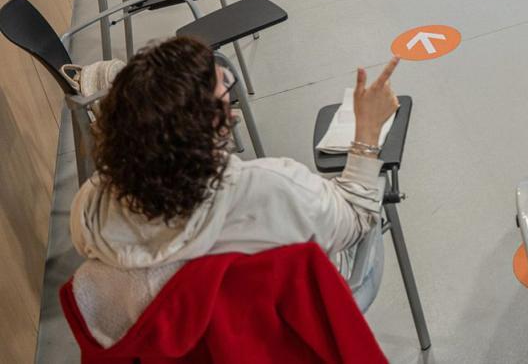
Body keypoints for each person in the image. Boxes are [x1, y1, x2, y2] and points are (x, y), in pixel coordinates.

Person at [69, 36, 400, 345]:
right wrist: (366, 135)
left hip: (200, 346)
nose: (235, 115)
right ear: (201, 139)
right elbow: (356, 218)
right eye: (225, 108)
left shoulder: (91, 210)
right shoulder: (272, 190)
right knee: (370, 208)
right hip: (292, 325)